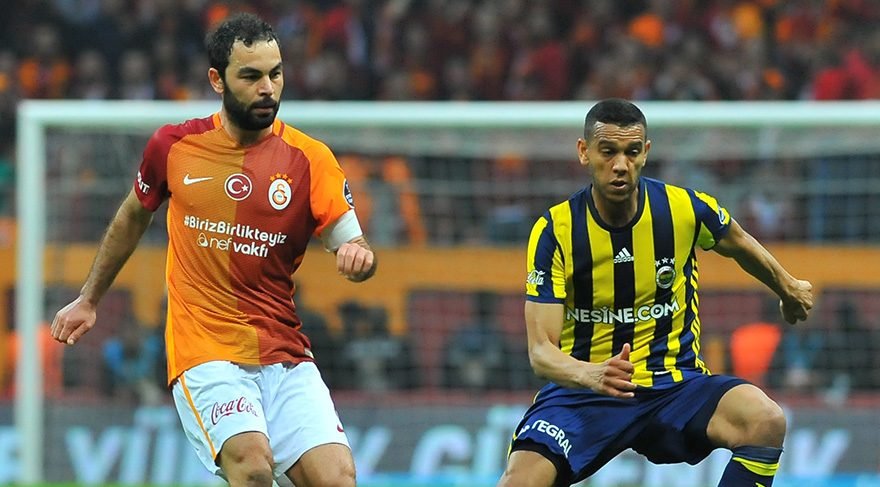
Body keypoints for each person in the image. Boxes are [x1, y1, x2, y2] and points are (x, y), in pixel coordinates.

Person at [50, 13, 376, 487]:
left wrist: (359, 259)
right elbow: (133, 215)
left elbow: (355, 245)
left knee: (337, 479)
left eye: (276, 74)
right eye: (251, 76)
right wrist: (89, 298)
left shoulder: (311, 159)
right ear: (217, 80)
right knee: (252, 466)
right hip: (205, 349)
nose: (267, 88)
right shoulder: (174, 146)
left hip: (283, 352)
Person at [498, 99, 813, 487]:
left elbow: (738, 242)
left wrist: (788, 287)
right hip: (583, 394)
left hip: (675, 386)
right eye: (608, 151)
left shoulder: (682, 210)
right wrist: (590, 374)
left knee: (765, 420)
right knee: (519, 481)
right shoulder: (556, 231)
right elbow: (540, 353)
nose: (620, 165)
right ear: (584, 152)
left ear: (645, 153)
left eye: (632, 152)